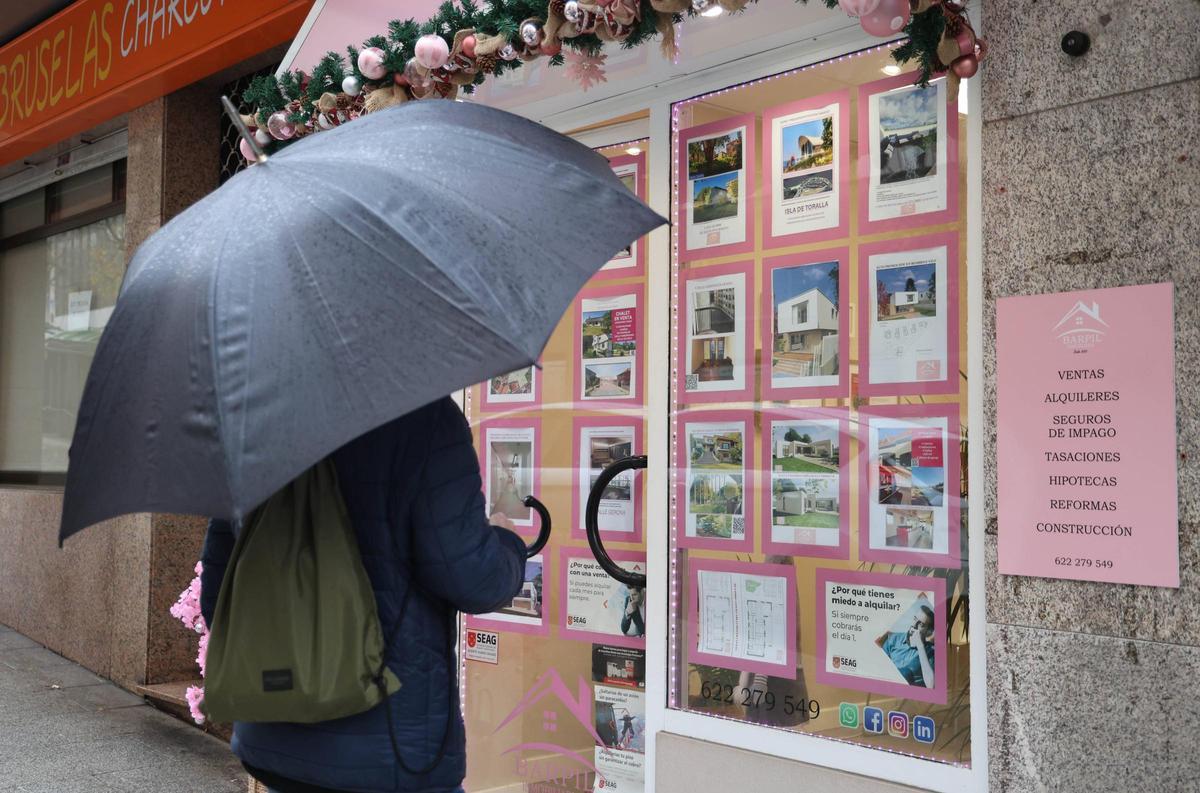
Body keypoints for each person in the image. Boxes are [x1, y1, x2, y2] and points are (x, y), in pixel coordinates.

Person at [200, 397, 527, 793]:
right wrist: (507, 540)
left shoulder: (255, 426)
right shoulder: (423, 418)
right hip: (390, 752)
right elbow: (475, 579)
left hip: (274, 741)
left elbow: (220, 594)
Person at [875, 604, 936, 689]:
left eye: (921, 624)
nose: (914, 625)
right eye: (915, 619)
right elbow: (878, 667)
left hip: (910, 693)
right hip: (887, 687)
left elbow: (931, 686)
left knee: (906, 673)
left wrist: (920, 646)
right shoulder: (894, 639)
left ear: (928, 631)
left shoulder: (931, 651)